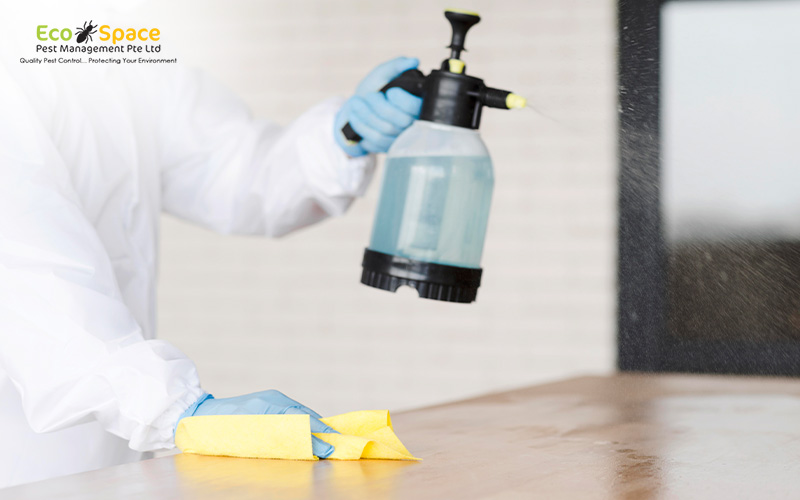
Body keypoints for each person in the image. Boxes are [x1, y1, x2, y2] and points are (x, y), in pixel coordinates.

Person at [0, 49, 423, 487]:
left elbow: (232, 170)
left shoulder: (113, 50)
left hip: (113, 458)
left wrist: (342, 136)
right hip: (20, 458)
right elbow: (22, 271)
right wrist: (174, 408)